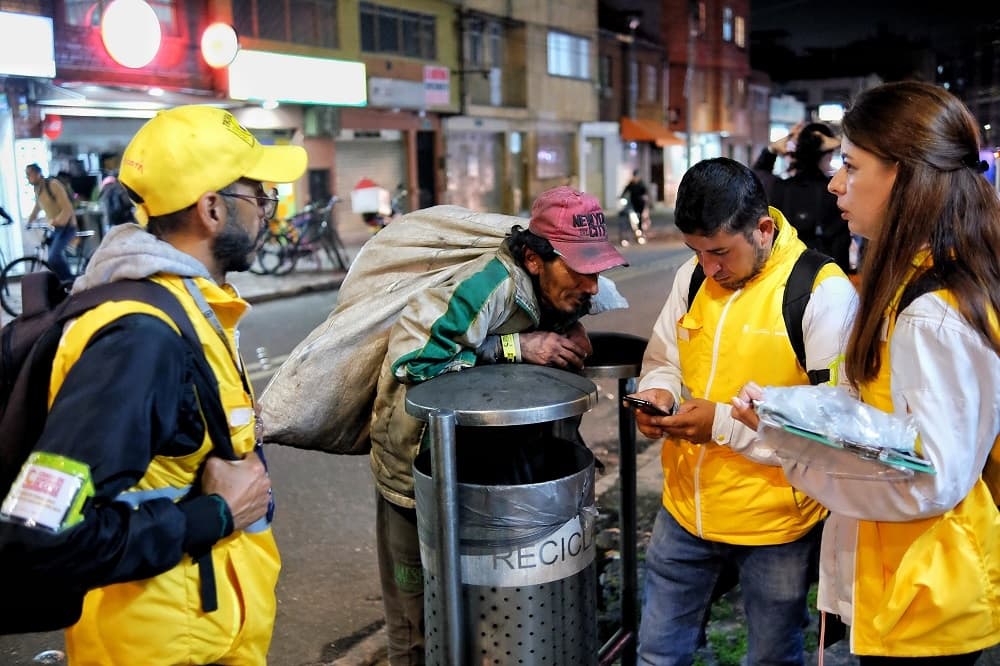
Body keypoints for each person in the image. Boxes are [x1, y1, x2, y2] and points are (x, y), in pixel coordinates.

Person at [0, 105, 306, 664]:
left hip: (204, 634)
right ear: (211, 209)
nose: (267, 211)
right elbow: (40, 539)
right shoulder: (141, 339)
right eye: (259, 195)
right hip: (161, 647)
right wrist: (212, 516)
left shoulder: (190, 310)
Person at [732, 81, 1000, 663]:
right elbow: (882, 419)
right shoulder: (915, 281)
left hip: (924, 598)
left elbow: (932, 476)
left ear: (903, 175)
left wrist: (798, 449)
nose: (834, 184)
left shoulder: (931, 313)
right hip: (908, 586)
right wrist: (790, 415)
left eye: (851, 166)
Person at [372, 186, 628, 664]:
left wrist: (571, 328)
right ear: (534, 259)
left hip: (493, 477)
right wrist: (515, 348)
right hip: (421, 478)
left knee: (488, 619)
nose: (592, 286)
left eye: (597, 270)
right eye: (579, 270)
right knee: (418, 626)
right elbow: (413, 361)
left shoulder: (567, 291)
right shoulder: (486, 286)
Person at [627, 157, 857, 665]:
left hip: (776, 525)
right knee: (658, 653)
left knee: (772, 657)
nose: (709, 268)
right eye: (697, 252)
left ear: (763, 229)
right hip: (686, 509)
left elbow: (834, 424)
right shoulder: (693, 278)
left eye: (719, 252)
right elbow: (664, 357)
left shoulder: (821, 292)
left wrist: (720, 425)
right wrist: (659, 393)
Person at [754, 123, 851, 274]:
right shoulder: (834, 191)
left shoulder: (780, 188)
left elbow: (756, 177)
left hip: (784, 277)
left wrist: (771, 150)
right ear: (827, 152)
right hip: (824, 276)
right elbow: (841, 245)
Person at [25, 162, 77, 283]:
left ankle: (70, 283)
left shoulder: (53, 185)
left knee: (54, 257)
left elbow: (67, 208)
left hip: (67, 226)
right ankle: (62, 283)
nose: (28, 177)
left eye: (29, 174)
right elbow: (37, 206)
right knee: (54, 258)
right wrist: (30, 221)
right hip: (55, 228)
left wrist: (56, 221)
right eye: (26, 175)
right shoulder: (37, 189)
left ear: (38, 173)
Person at [619, 169, 649, 245]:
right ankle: (628, 234)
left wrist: (644, 197)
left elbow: (645, 192)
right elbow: (625, 190)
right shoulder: (631, 184)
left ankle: (640, 232)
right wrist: (621, 196)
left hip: (640, 204)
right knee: (626, 216)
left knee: (640, 217)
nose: (636, 177)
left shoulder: (641, 184)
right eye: (635, 176)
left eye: (637, 176)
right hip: (632, 203)